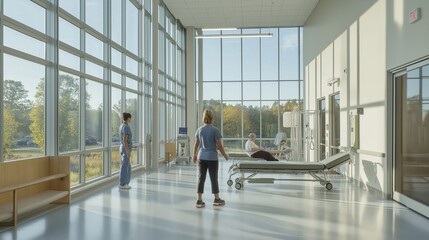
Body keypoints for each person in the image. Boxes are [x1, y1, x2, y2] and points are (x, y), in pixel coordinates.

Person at [193, 109, 229, 208]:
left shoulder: (199, 130)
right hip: (212, 158)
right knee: (213, 178)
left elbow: (196, 144)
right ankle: (217, 199)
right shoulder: (215, 130)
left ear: (203, 118)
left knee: (201, 178)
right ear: (212, 118)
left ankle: (199, 200)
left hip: (201, 157)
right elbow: (220, 146)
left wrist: (194, 155)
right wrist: (225, 155)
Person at [119, 112, 133, 190]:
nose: (130, 119)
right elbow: (125, 140)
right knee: (125, 166)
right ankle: (123, 183)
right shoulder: (126, 127)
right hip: (126, 148)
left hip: (123, 148)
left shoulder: (122, 126)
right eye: (130, 118)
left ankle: (125, 182)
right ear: (128, 118)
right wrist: (127, 151)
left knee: (127, 165)